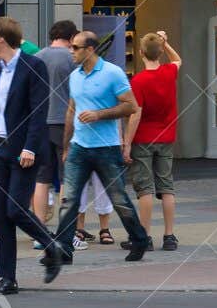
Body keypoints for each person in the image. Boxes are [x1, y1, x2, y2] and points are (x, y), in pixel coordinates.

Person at [43, 29, 149, 282]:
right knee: (69, 200)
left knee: (119, 198)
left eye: (76, 48)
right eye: (71, 47)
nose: (71, 52)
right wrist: (67, 146)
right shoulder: (75, 76)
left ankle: (139, 240)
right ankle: (65, 250)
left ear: (90, 49)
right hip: (80, 146)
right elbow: (71, 110)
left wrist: (99, 114)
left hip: (107, 147)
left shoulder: (112, 73)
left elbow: (131, 106)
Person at [0, 17, 58, 294]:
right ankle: (7, 277)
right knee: (1, 214)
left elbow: (39, 111)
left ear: (2, 37)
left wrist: (30, 147)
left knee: (15, 209)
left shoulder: (33, 65)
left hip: (23, 149)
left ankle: (51, 245)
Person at [126, 30, 180, 251]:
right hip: (166, 137)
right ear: (160, 53)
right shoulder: (169, 72)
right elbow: (177, 59)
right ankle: (169, 236)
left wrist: (127, 142)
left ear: (140, 53)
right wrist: (165, 42)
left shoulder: (138, 81)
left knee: (145, 189)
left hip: (143, 139)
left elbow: (135, 114)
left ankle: (145, 237)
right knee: (166, 187)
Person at [34, 20, 77, 223]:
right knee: (67, 178)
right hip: (64, 123)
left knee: (41, 179)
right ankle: (67, 228)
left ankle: (39, 228)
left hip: (40, 124)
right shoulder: (72, 58)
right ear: (70, 38)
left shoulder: (36, 57)